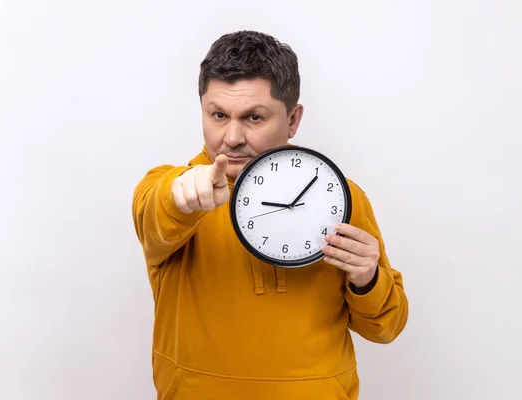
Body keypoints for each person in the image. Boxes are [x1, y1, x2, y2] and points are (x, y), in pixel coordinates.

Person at [132, 30, 409, 400]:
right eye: (218, 115)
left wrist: (368, 279)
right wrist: (178, 196)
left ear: (292, 120)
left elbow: (386, 328)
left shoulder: (342, 196)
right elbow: (154, 216)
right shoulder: (172, 189)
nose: (231, 137)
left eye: (254, 118)